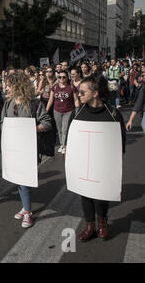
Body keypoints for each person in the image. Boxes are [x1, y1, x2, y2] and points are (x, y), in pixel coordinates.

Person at [67, 75, 126, 241]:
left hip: (103, 163)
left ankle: (102, 223)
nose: (79, 94)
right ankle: (89, 226)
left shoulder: (113, 114)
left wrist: (118, 162)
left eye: (82, 92)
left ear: (95, 93)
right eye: (78, 92)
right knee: (85, 194)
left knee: (101, 194)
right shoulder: (77, 113)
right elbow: (70, 139)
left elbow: (120, 141)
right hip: (83, 162)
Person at [1, 72, 53, 228]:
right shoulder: (8, 103)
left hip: (28, 148)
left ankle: (28, 212)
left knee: (24, 181)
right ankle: (25, 207)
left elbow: (47, 122)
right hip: (12, 148)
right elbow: (3, 122)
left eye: (9, 85)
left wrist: (32, 128)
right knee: (18, 178)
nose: (6, 88)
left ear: (18, 85)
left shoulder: (34, 103)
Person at [47, 70, 80, 154]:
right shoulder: (54, 87)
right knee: (59, 129)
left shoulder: (71, 87)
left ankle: (64, 145)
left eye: (64, 77)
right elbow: (51, 99)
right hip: (57, 110)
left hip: (68, 110)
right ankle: (62, 144)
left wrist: (77, 110)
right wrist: (46, 110)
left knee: (64, 128)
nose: (61, 79)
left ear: (67, 78)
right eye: (59, 77)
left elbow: (76, 100)